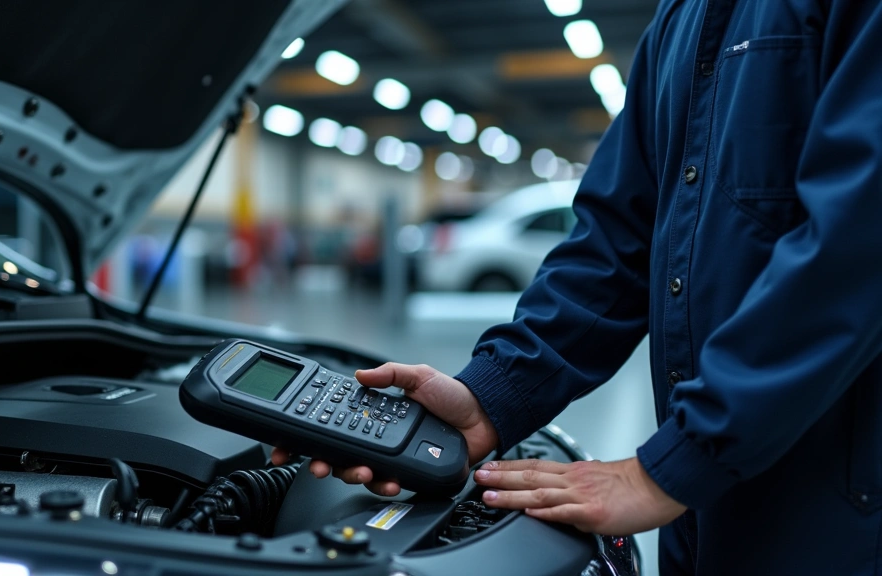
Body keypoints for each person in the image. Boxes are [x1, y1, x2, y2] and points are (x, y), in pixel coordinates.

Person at [275, 1, 882, 573]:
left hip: (839, 515)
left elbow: (857, 240)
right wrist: (494, 395)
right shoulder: (684, 16)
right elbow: (617, 237)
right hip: (706, 512)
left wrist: (677, 463)